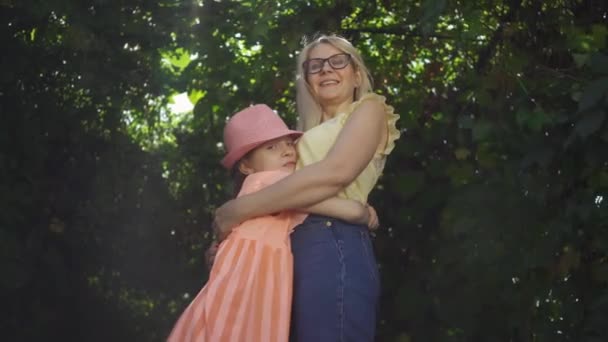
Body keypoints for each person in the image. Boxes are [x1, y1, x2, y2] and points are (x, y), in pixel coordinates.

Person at [213, 35, 400, 341]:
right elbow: (273, 188)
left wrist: (238, 209)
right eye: (315, 66)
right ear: (307, 80)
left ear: (356, 74)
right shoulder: (297, 140)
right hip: (288, 251)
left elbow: (335, 173)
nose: (326, 70)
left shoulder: (369, 109)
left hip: (333, 239)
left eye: (338, 61)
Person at [167, 104, 378, 342]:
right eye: (271, 147)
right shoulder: (271, 182)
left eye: (289, 143)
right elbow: (338, 208)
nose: (287, 151)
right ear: (246, 166)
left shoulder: (259, 191)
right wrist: (363, 211)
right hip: (249, 275)